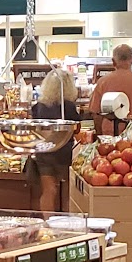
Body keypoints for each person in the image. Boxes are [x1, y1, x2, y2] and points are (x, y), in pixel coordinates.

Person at [27, 68, 82, 213]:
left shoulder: (38, 106)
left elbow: (34, 129)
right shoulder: (68, 106)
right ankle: (66, 221)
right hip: (64, 151)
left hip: (44, 151)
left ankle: (48, 222)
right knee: (68, 190)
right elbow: (76, 129)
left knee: (48, 190)